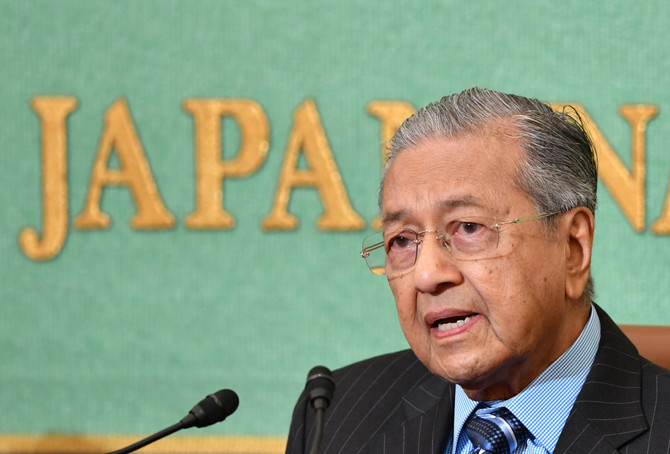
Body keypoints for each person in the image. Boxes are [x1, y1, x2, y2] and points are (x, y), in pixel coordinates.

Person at [285, 88, 670, 454]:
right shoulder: (335, 415)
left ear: (573, 248)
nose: (426, 275)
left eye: (469, 228)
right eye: (402, 240)